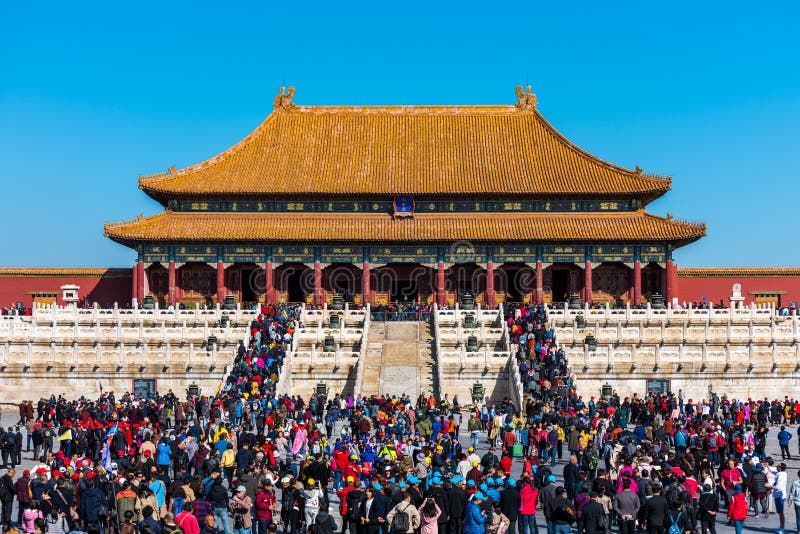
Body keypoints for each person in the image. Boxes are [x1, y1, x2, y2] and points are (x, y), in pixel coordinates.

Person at [772, 463, 787, 534]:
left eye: (777, 466)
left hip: (779, 496)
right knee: (780, 512)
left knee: (781, 513)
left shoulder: (780, 475)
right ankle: (781, 526)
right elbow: (773, 471)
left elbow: (778, 487)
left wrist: (769, 486)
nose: (776, 466)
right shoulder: (783, 473)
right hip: (780, 495)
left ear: (780, 468)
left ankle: (782, 528)